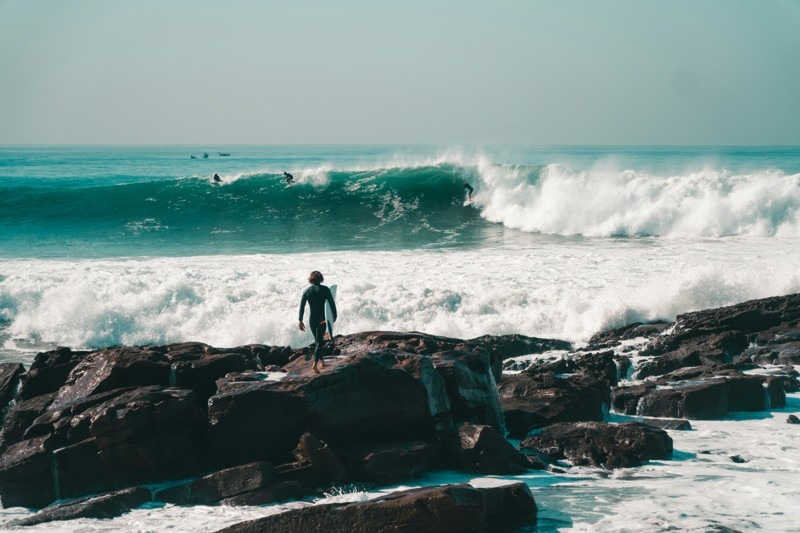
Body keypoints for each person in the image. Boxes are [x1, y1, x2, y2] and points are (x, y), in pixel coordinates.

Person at [298, 270, 337, 373]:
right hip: (322, 319)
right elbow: (332, 304)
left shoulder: (306, 291)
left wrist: (300, 320)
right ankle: (315, 365)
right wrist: (334, 316)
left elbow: (301, 307)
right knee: (319, 342)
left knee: (318, 341)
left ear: (310, 279)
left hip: (312, 320)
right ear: (321, 278)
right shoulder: (325, 290)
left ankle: (322, 361)